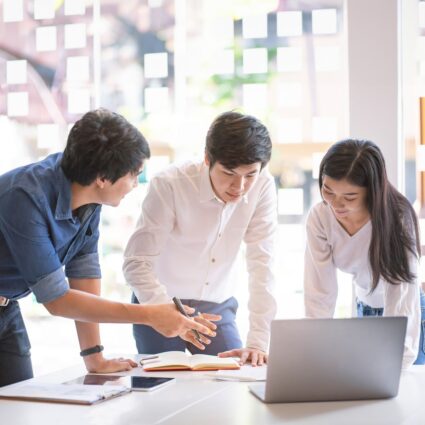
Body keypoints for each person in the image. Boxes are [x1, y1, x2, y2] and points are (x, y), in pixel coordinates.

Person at [0, 109, 213, 387]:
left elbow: (84, 276)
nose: (136, 185)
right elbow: (57, 299)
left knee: (17, 406)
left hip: (7, 307)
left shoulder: (89, 199)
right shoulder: (25, 197)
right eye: (134, 175)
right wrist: (150, 315)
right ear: (102, 177)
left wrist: (94, 357)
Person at [123, 111, 277, 366]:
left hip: (217, 304)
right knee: (160, 389)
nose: (239, 187)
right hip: (159, 301)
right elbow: (136, 262)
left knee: (233, 380)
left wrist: (259, 340)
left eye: (250, 174)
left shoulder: (263, 186)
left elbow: (263, 262)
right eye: (229, 173)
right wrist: (164, 311)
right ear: (207, 158)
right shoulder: (170, 184)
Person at [304, 139, 425, 368]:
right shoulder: (320, 217)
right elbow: (319, 292)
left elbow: (402, 296)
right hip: (365, 310)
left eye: (349, 197)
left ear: (372, 191)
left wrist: (399, 361)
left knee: (407, 393)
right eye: (328, 191)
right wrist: (315, 346)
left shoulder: (397, 218)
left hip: (407, 314)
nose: (336, 205)